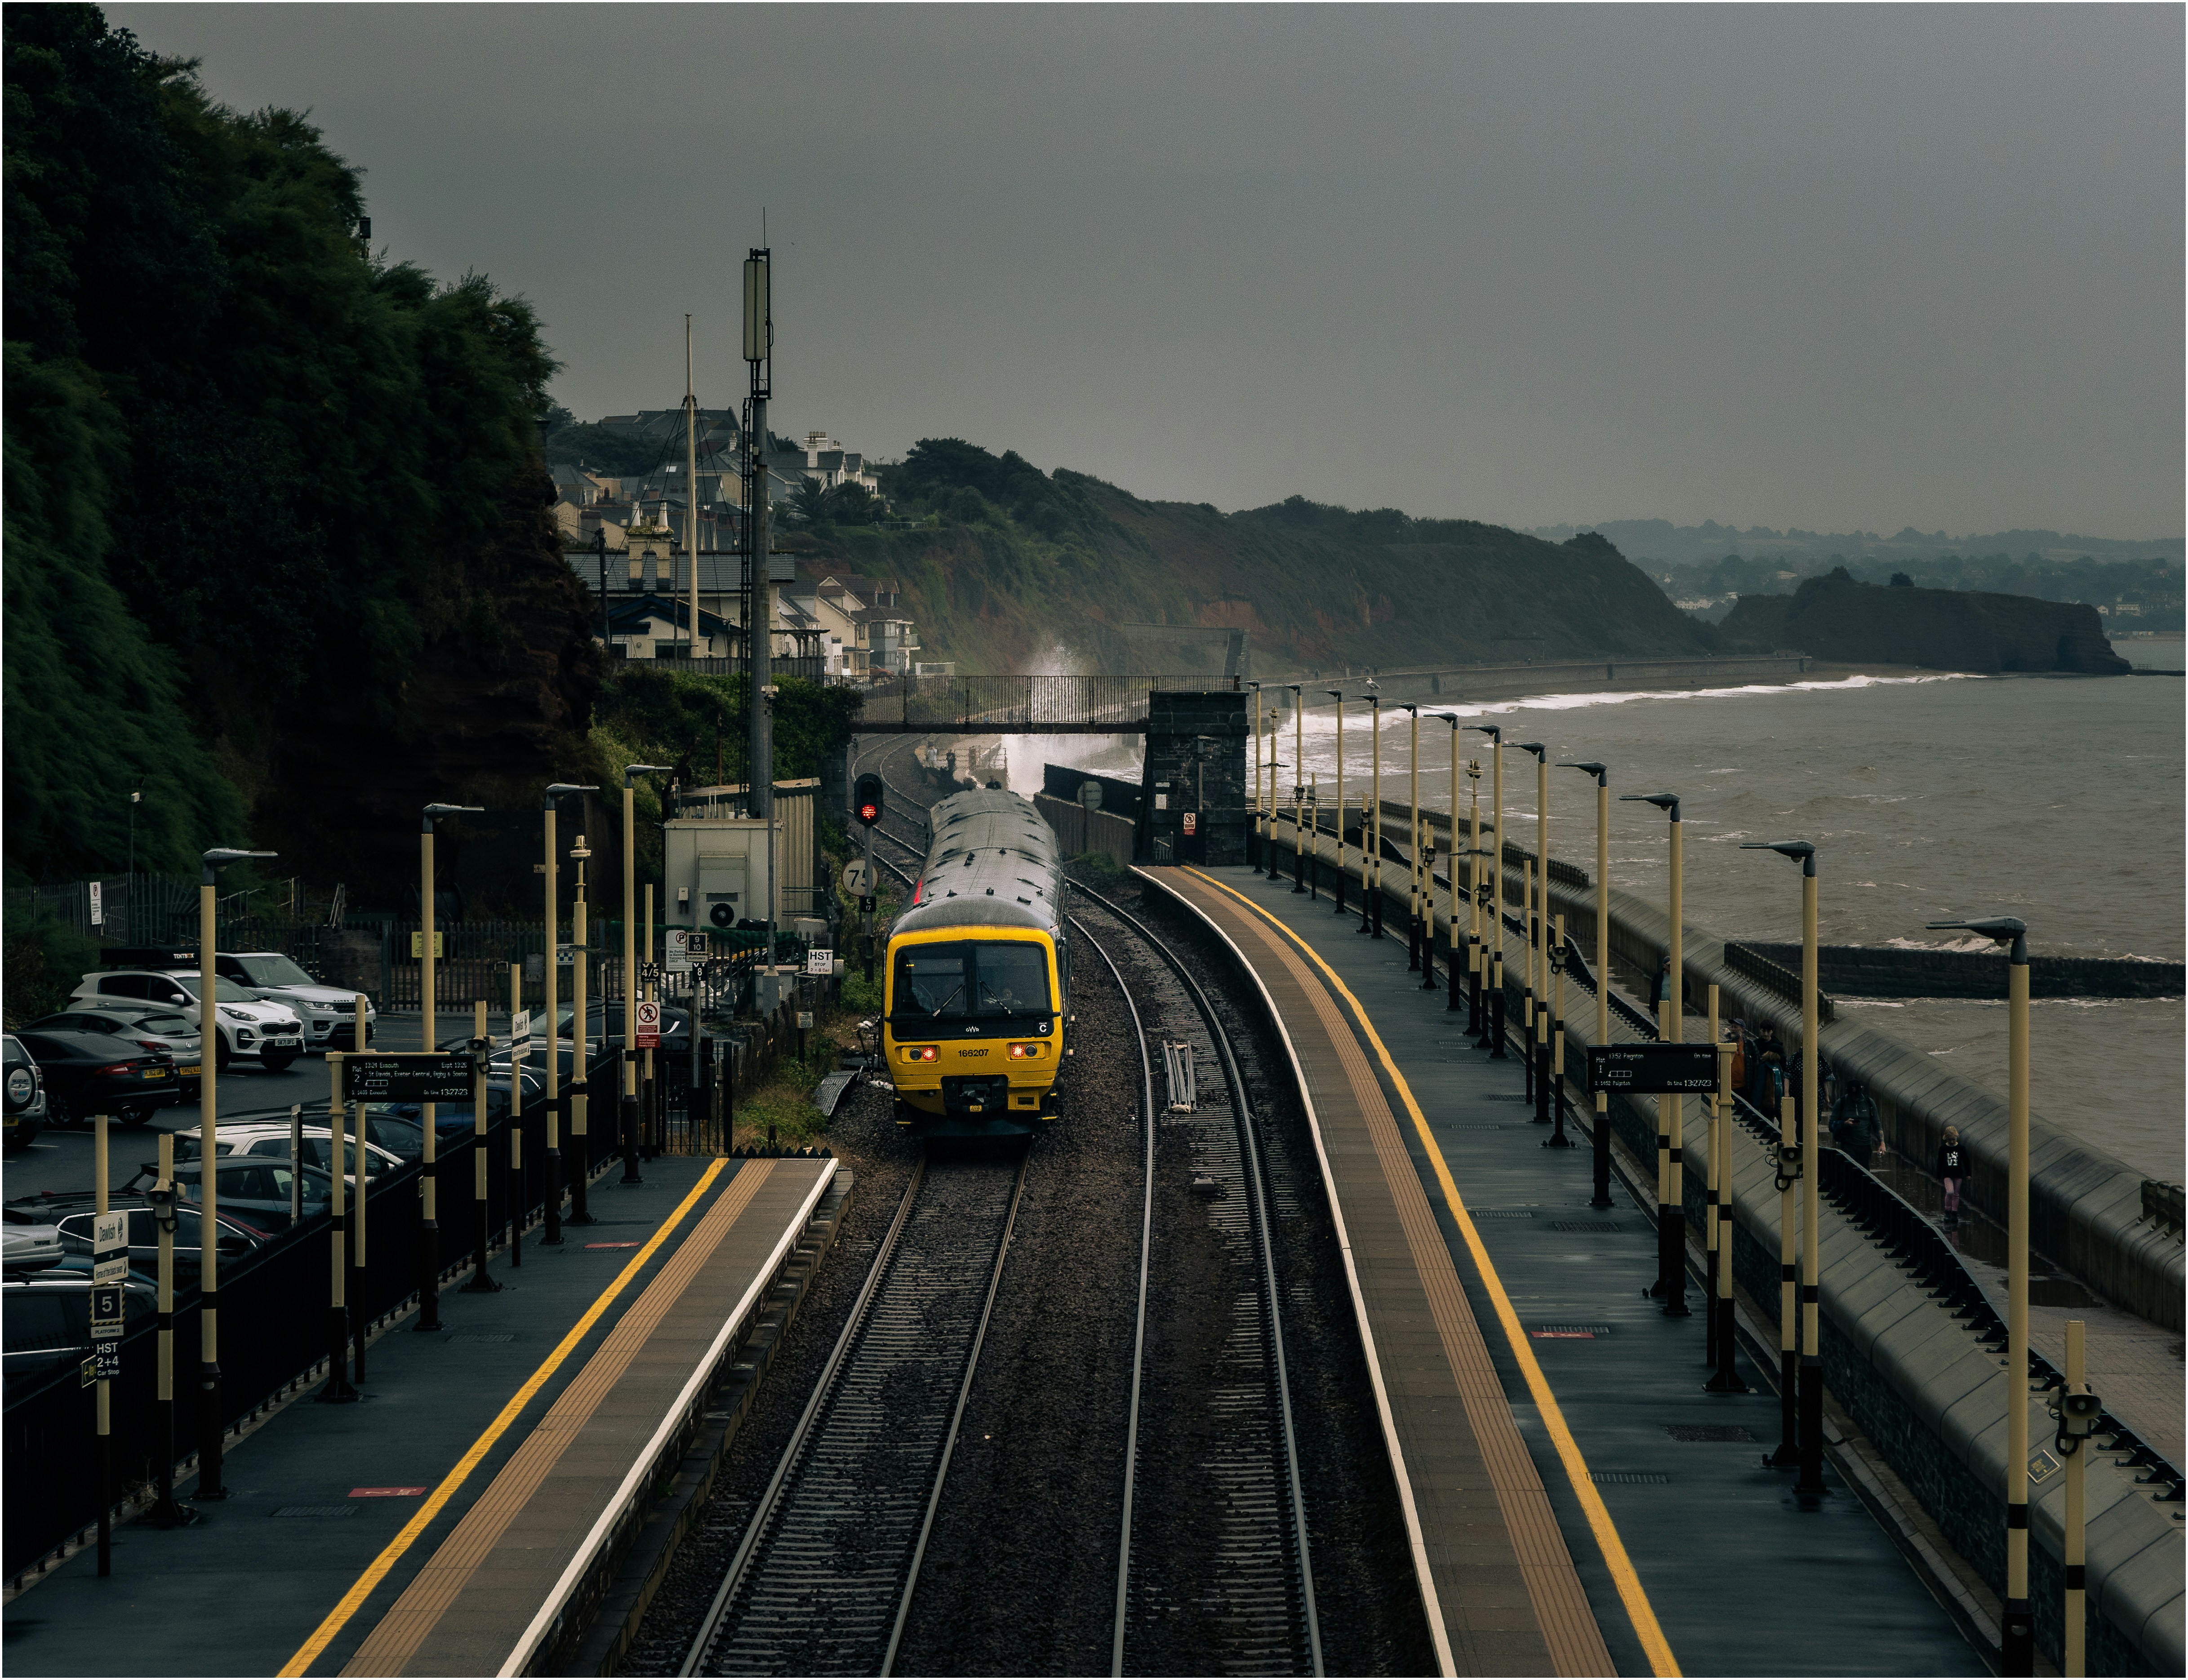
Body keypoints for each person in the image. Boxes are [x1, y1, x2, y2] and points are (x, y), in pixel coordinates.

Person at [1832, 1078, 1881, 1168]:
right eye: (1852, 1096)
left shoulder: (1869, 1103)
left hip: (1865, 1146)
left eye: (1857, 1095)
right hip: (1848, 1146)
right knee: (1850, 1170)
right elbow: (1831, 1126)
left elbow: (1876, 1123)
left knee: (1864, 1172)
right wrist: (1845, 1123)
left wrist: (1882, 1143)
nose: (1855, 1098)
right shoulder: (1841, 1103)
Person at [1936, 1125, 1966, 1229]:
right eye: (1950, 1140)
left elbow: (1966, 1161)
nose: (1952, 1142)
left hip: (1958, 1175)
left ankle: (1954, 1213)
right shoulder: (1943, 1149)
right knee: (1950, 1192)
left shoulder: (1961, 1148)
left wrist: (1968, 1174)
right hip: (1947, 1175)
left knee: (1956, 1194)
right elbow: (1940, 1162)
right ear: (1946, 1139)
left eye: (1954, 1139)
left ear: (1957, 1137)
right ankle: (1947, 1212)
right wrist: (1938, 1175)